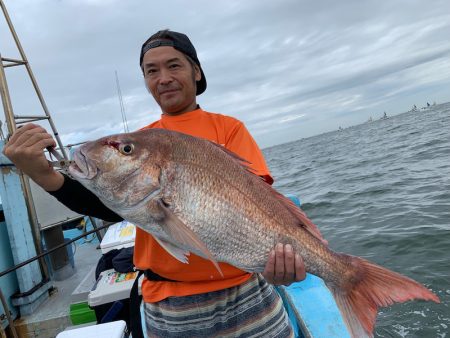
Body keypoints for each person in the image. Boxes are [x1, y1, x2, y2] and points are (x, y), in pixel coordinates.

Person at [4, 30, 323, 337]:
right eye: (151, 70)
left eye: (174, 65)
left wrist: (279, 261)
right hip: (169, 306)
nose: (163, 77)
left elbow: (260, 206)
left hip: (247, 293)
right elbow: (111, 208)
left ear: (196, 72)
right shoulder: (145, 139)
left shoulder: (230, 129)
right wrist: (43, 173)